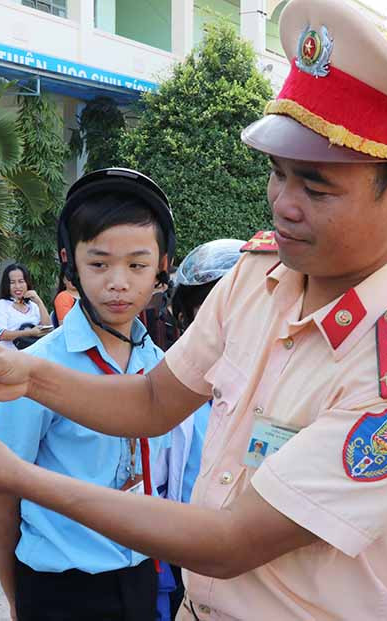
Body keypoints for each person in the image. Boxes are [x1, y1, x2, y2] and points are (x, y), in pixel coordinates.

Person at [0, 0, 387, 619]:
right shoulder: (259, 278)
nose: (283, 205)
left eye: (315, 186)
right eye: (277, 173)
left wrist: (15, 477)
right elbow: (155, 402)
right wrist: (33, 376)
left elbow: (228, 543)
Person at [0, 168, 175, 621]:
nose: (119, 282)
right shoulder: (35, 369)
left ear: (162, 265)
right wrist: (19, 603)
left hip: (142, 576)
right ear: (70, 264)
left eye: (137, 264)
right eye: (99, 263)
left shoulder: (159, 365)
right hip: (59, 590)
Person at [151, 238, 244, 618]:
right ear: (186, 317)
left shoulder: (278, 386)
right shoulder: (168, 382)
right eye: (207, 311)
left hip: (244, 549)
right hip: (177, 543)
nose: (223, 325)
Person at [0, 263, 52, 350]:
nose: (17, 286)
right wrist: (29, 333)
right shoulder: (2, 305)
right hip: (12, 356)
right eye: (12, 282)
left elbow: (48, 329)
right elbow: (1, 335)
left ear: (27, 283)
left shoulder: (33, 305)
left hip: (35, 353)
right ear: (7, 285)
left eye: (21, 281)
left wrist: (39, 302)